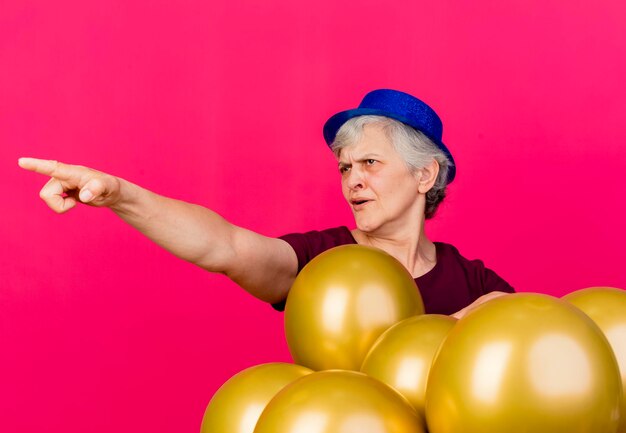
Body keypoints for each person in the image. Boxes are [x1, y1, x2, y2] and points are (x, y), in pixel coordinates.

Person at [18, 89, 514, 318]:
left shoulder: (474, 282)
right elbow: (225, 247)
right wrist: (121, 195)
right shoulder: (323, 259)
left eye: (370, 164)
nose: (352, 182)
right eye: (345, 168)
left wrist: (482, 316)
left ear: (425, 174)